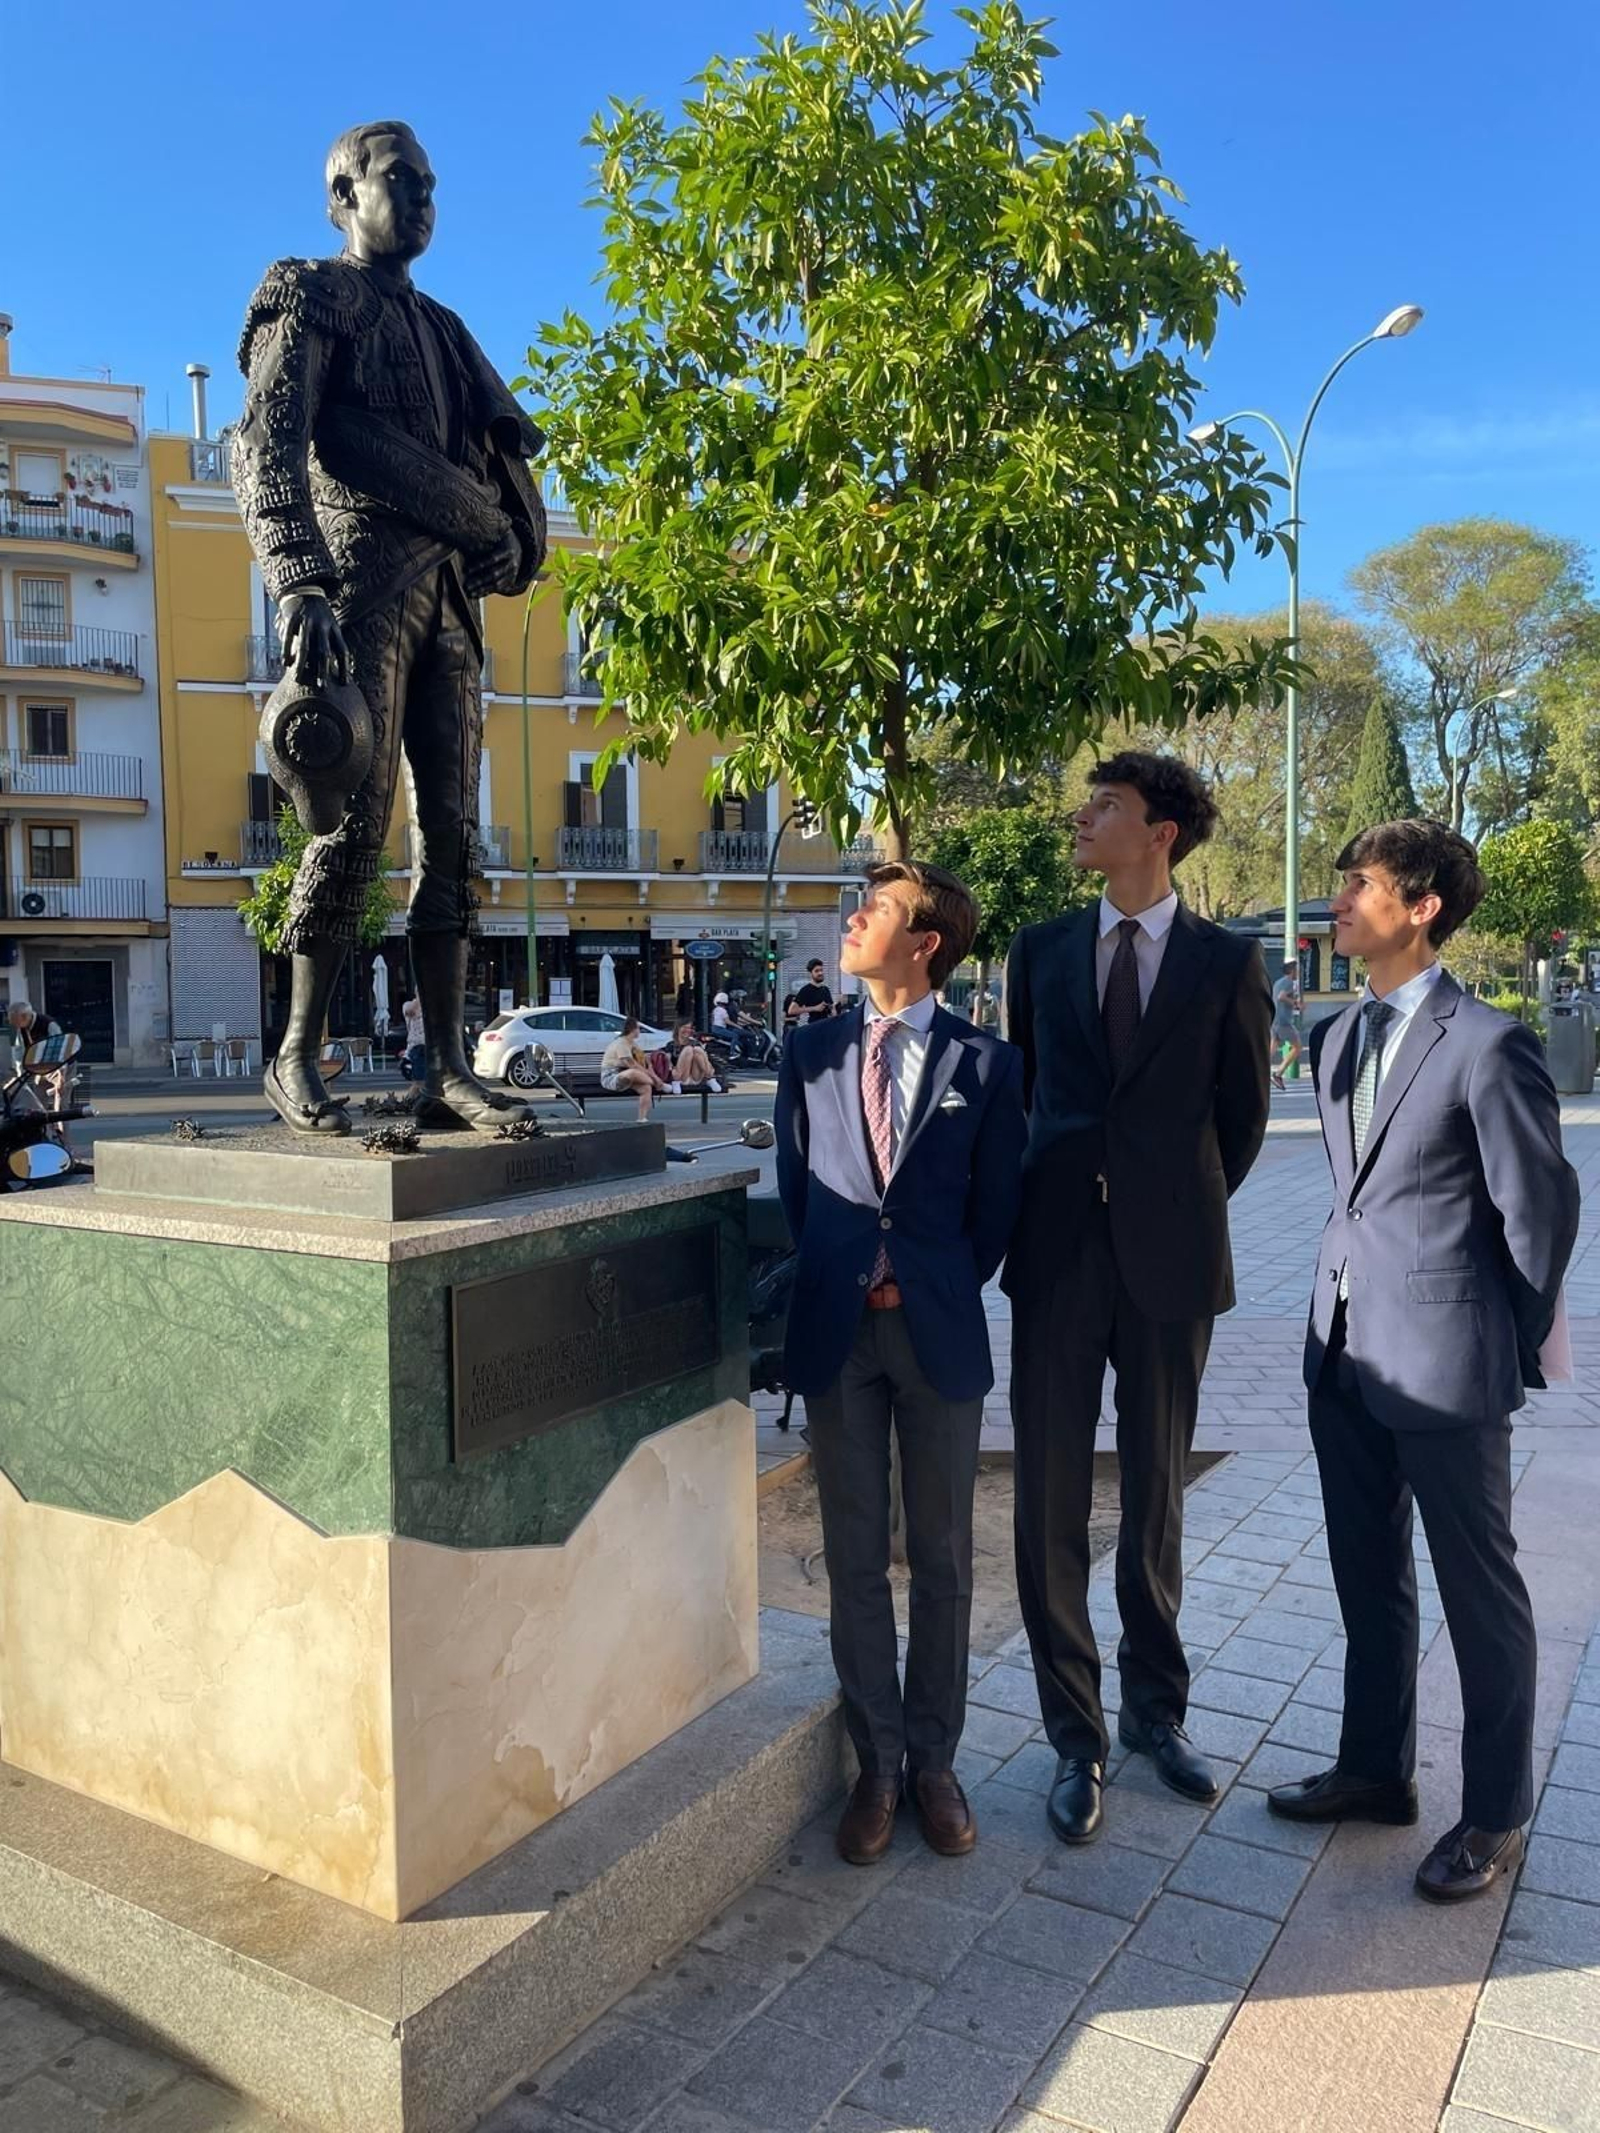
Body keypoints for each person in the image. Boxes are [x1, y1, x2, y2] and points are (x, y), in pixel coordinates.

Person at [1265, 821, 1579, 1903]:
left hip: (1447, 1359)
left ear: (1422, 905)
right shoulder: (1333, 1035)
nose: (1338, 900)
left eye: (1357, 884)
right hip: (1342, 1349)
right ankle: (1374, 1771)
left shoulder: (1488, 1042)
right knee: (1368, 1574)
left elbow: (1541, 1213)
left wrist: (1500, 1332)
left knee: (1476, 1588)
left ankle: (1495, 1812)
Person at [232, 120, 546, 1136]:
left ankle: (445, 1067)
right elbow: (264, 449)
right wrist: (297, 585)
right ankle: (295, 1055)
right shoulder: (310, 294)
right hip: (360, 587)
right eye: (400, 182)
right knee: (352, 828)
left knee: (453, 839)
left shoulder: (447, 330)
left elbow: (496, 477)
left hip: (449, 601)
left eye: (430, 188)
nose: (419, 202)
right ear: (343, 195)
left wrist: (508, 545)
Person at [1004, 751, 1271, 1846]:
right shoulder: (1041, 950)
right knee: (1048, 1502)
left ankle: (1155, 1715)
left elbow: (1242, 1118)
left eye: (1104, 806)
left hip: (1171, 1263)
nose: (1083, 817)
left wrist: (1167, 1200)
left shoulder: (1225, 961)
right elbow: (1028, 1092)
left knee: (1156, 1494)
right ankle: (1075, 1739)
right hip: (1058, 1254)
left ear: (1159, 832)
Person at [776, 861, 1026, 1866]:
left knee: (943, 1556)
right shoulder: (811, 1050)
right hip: (840, 1333)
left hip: (934, 1334)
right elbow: (802, 1192)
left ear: (924, 942)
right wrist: (851, 1272)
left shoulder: (986, 1064)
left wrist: (924, 1280)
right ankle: (875, 1765)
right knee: (853, 1554)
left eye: (874, 910)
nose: (852, 918)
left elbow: (994, 1212)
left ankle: (933, 1762)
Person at [598, 1019, 659, 1122]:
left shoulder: (632, 1043)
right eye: (638, 1028)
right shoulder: (622, 1043)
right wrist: (655, 1078)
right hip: (611, 1077)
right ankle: (658, 1083)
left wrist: (649, 1065)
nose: (640, 1031)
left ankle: (642, 1118)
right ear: (633, 1029)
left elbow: (643, 1059)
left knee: (646, 1088)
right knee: (633, 1072)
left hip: (627, 1075)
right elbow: (632, 1065)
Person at [1270, 960, 1302, 1090]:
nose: (1299, 973)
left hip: (1275, 1020)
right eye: (1298, 970)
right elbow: (1281, 997)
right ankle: (1278, 1074)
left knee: (1272, 1048)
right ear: (1292, 971)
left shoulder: (1278, 982)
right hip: (1284, 1022)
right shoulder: (1289, 982)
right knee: (1297, 1047)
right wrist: (1295, 1003)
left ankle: (1255, 1072)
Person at [670, 1021, 723, 1093]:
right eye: (684, 1027)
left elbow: (704, 1058)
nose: (687, 1030)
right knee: (688, 1049)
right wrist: (672, 1070)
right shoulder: (671, 1045)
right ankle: (676, 1082)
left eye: (689, 1028)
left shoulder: (695, 1043)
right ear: (678, 1029)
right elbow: (668, 1061)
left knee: (697, 1050)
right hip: (681, 1077)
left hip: (696, 1076)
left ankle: (710, 1077)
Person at [786, 959, 834, 1032]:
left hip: (827, 1028)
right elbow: (791, 1010)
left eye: (821, 970)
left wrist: (833, 1009)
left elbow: (832, 1009)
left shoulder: (826, 989)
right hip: (814, 1029)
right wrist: (815, 1008)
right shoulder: (806, 990)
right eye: (817, 971)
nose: (820, 973)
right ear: (810, 973)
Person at [401, 993, 426, 1083]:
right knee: (419, 1083)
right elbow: (411, 1012)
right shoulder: (408, 1005)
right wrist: (420, 998)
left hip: (428, 1048)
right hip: (417, 1048)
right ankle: (409, 1097)